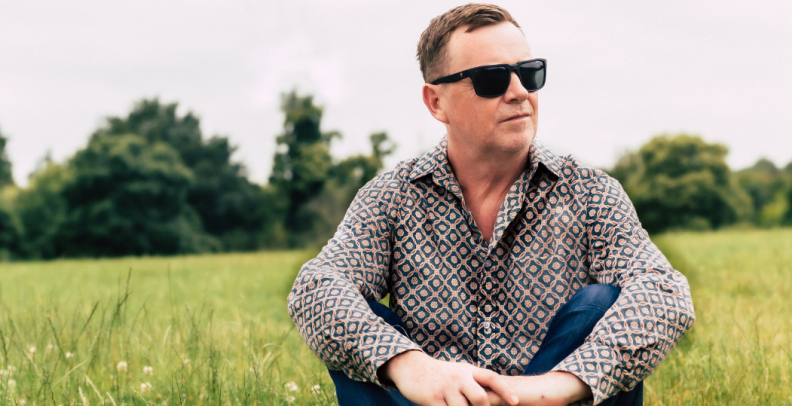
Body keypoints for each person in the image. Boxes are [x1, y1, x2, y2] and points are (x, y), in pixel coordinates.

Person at [286, 4, 695, 406]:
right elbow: (315, 288)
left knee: (602, 304)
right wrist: (410, 367)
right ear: (436, 102)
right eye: (492, 78)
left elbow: (664, 292)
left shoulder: (589, 193)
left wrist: (553, 387)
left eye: (529, 73)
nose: (519, 92)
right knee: (358, 318)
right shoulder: (392, 197)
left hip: (547, 401)